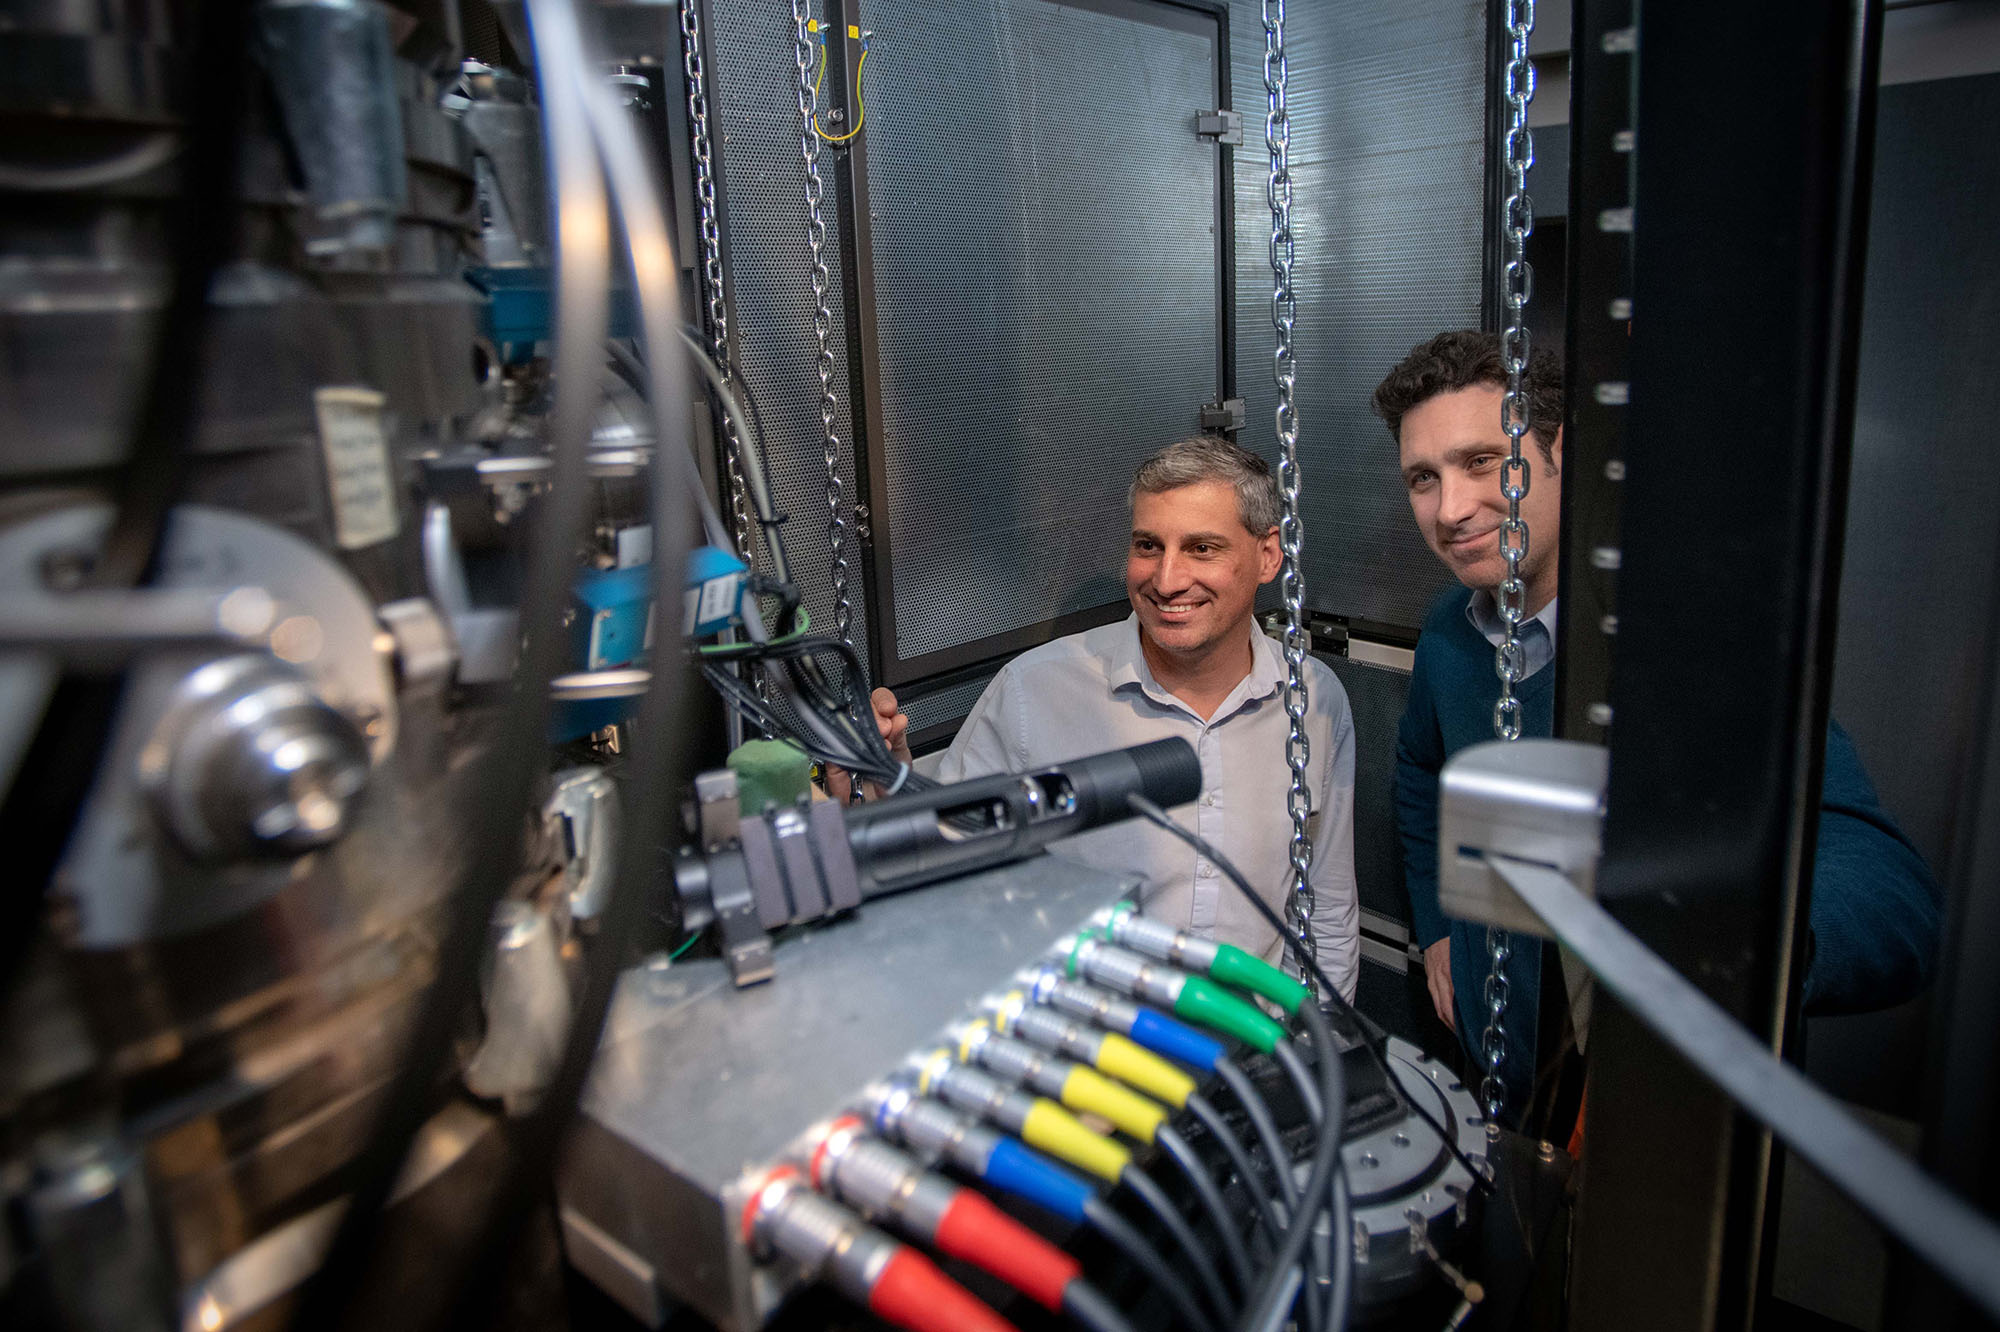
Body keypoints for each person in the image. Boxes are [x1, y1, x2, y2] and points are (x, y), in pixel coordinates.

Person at [1375, 329, 1943, 1122]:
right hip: (1501, 1075)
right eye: (1422, 479)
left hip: (1654, 1114)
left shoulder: (1689, 642)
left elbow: (1888, 891)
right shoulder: (1448, 632)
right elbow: (1420, 775)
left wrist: (1744, 949)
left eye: (1481, 462)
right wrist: (1438, 928)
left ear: (1562, 450)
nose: (1453, 508)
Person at [857, 436, 1361, 997]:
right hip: (1086, 1058)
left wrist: (1321, 1055)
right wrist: (890, 796)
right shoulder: (1035, 691)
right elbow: (943, 863)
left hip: (1255, 1059)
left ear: (1268, 556)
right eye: (1149, 545)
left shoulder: (1315, 700)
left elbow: (1327, 913)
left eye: (1201, 548)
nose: (1166, 580)